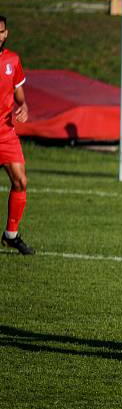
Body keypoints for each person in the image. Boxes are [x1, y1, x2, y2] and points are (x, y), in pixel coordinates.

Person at [0, 15, 34, 255]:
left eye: (0, 31)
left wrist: (23, 107)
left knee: (21, 181)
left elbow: (19, 92)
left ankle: (11, 234)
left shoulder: (13, 60)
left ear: (6, 33)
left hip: (6, 132)